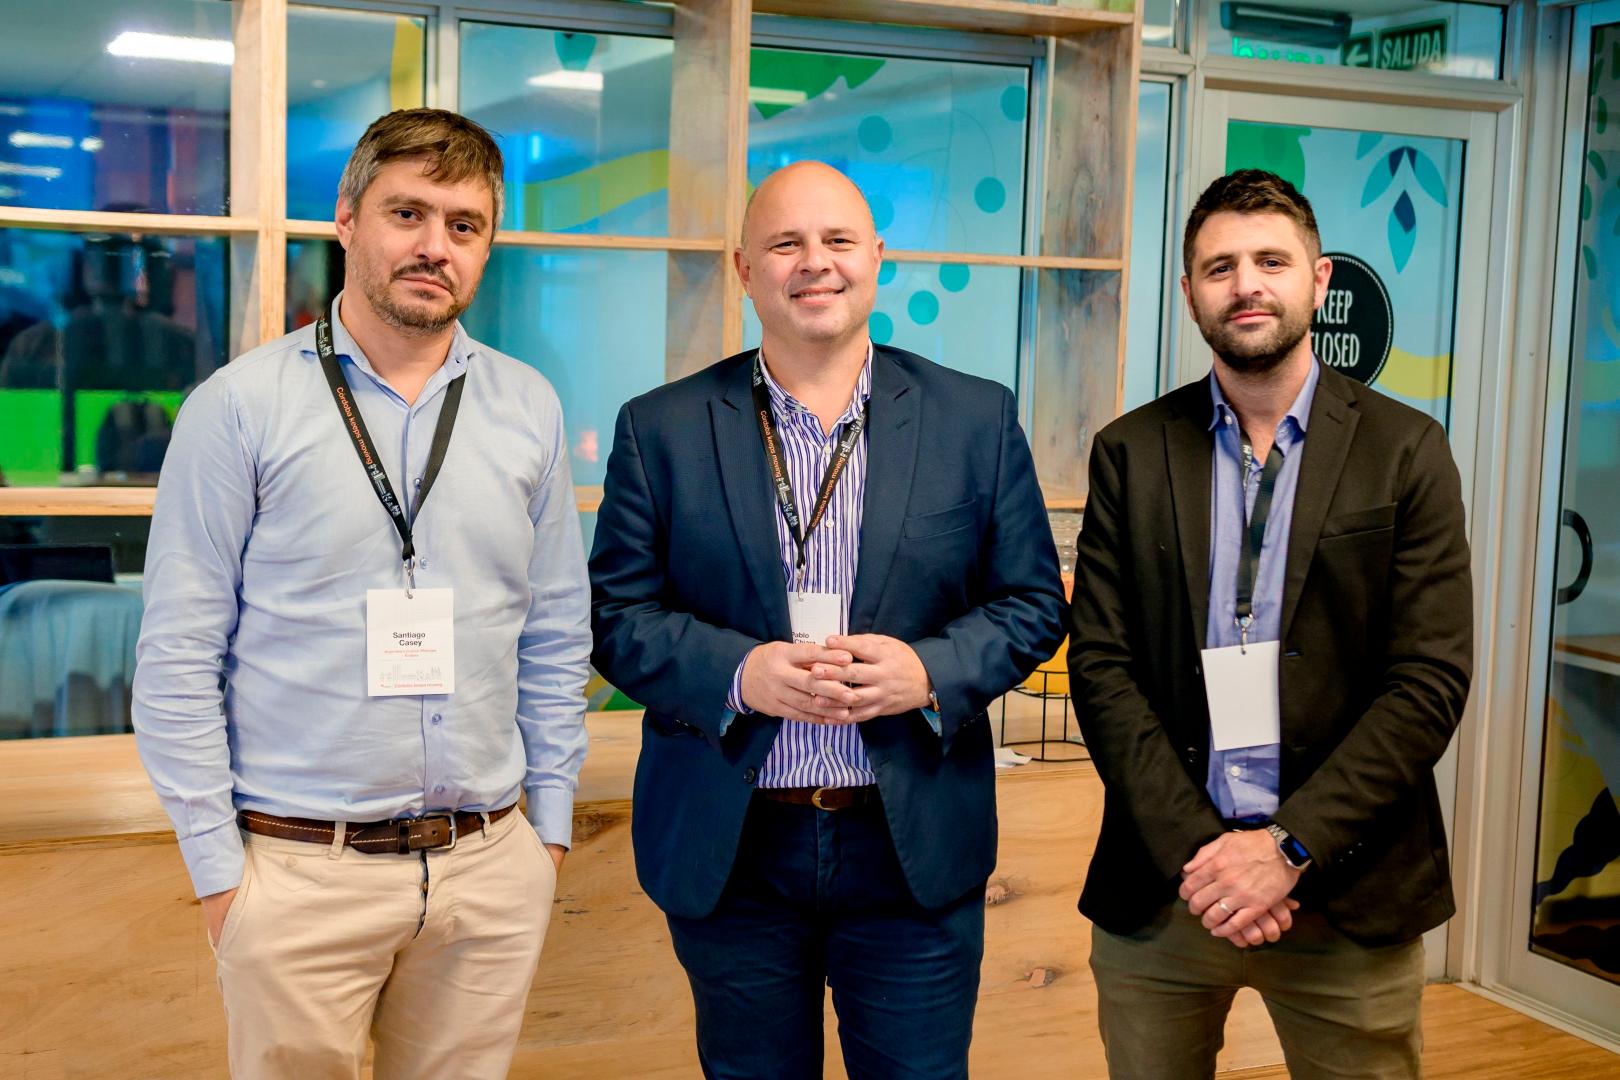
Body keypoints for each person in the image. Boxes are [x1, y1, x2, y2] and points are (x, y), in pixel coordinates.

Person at [131, 109, 591, 1080]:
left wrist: (543, 837)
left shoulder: (527, 408)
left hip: (485, 871)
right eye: (407, 213)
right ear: (346, 219)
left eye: (464, 225)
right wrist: (224, 882)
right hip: (298, 876)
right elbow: (177, 658)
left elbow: (554, 634)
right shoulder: (241, 407)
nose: (435, 246)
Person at [589, 160, 1068, 1080]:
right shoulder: (663, 428)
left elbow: (1031, 603)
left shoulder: (974, 417)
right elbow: (617, 616)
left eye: (838, 240)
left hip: (909, 844)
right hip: (736, 851)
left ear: (878, 257)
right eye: (786, 243)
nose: (816, 263)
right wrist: (741, 675)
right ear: (744, 267)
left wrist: (928, 672)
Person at [1068, 168, 1473, 1080]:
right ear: (1189, 293)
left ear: (1318, 280)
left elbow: (1428, 681)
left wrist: (1288, 848)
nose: (1245, 283)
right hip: (1168, 895)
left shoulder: (1406, 449)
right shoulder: (1130, 453)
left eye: (1269, 261)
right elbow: (1101, 666)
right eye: (1219, 267)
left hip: (1347, 890)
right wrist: (1207, 857)